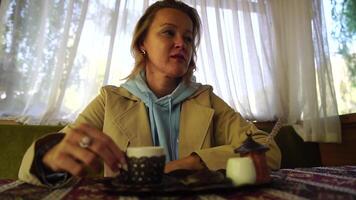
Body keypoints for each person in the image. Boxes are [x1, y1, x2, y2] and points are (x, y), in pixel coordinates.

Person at [18, 0, 281, 187]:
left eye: (188, 38)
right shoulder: (110, 101)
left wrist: (192, 163)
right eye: (169, 32)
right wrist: (48, 160)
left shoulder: (207, 99)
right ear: (142, 43)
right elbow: (28, 171)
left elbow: (267, 150)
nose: (181, 43)